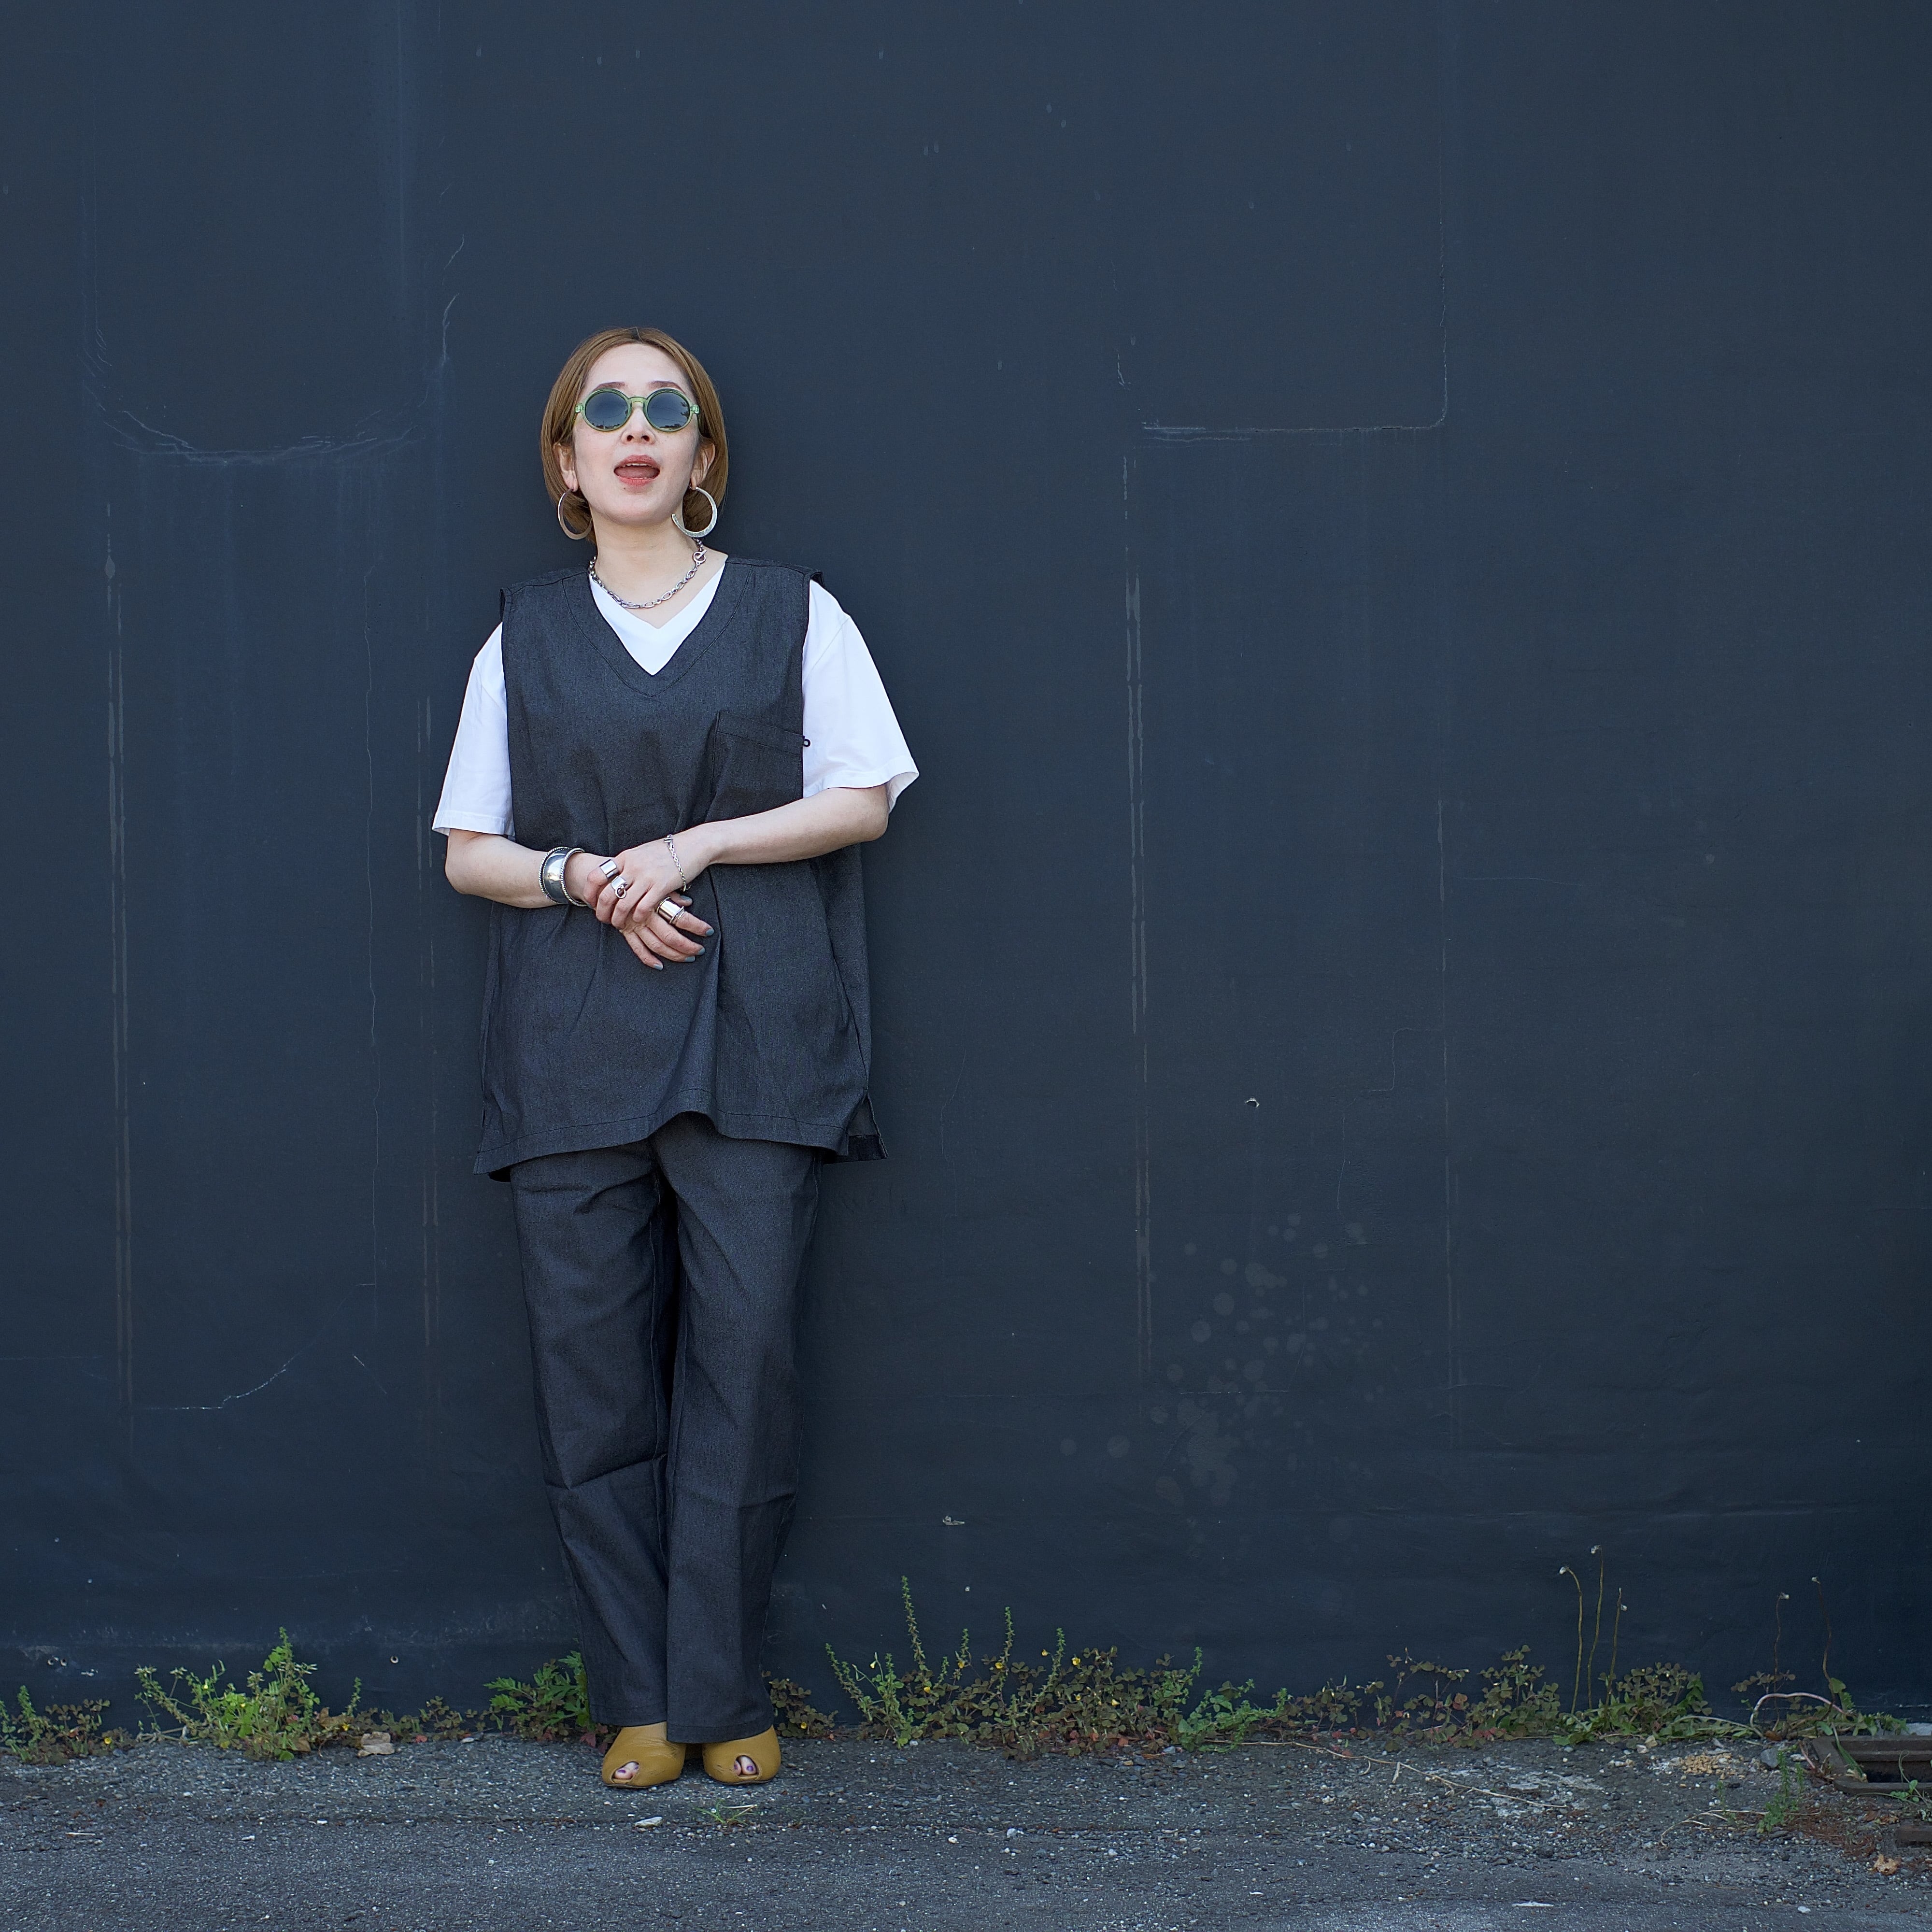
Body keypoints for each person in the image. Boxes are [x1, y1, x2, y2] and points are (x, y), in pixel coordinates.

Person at [433, 327, 915, 1789]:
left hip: (759, 1034)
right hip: (572, 1046)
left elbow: (864, 795)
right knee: (591, 1384)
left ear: (703, 451)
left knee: (744, 1370)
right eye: (607, 411)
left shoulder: (794, 612)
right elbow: (468, 849)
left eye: (666, 408)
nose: (636, 429)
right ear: (568, 460)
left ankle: (721, 1690)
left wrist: (694, 844)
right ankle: (639, 1698)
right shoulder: (521, 636)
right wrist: (583, 876)